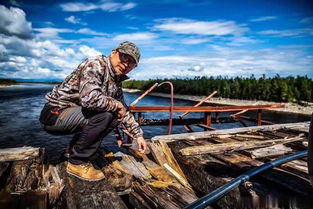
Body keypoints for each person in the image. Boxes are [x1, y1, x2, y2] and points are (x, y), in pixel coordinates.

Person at [39, 41, 146, 181]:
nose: (126, 64)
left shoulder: (116, 80)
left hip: (72, 114)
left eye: (132, 63)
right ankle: (77, 163)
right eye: (124, 57)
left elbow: (123, 110)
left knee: (114, 114)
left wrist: (138, 135)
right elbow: (89, 100)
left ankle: (73, 150)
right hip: (55, 114)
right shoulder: (95, 64)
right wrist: (117, 105)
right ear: (114, 53)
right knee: (106, 114)